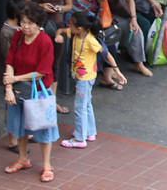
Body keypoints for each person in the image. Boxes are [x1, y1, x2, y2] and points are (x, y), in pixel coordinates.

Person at [2, 1, 59, 183]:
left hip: (39, 92)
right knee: (20, 127)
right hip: (19, 90)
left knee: (43, 129)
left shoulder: (45, 42)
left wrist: (14, 80)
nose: (25, 27)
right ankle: (22, 159)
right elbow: (9, 62)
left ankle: (47, 165)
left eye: (29, 23)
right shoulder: (18, 36)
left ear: (38, 24)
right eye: (23, 22)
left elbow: (42, 72)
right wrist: (9, 88)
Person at [54, 12, 126, 149]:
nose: (69, 25)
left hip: (84, 79)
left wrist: (117, 71)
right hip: (85, 77)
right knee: (86, 104)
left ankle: (80, 138)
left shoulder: (90, 41)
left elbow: (106, 54)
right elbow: (62, 30)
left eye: (71, 23)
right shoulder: (76, 33)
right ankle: (89, 132)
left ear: (80, 28)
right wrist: (58, 35)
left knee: (79, 107)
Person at [20, 0, 71, 114]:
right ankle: (37, 98)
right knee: (41, 65)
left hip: (59, 28)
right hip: (41, 29)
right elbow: (22, 5)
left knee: (55, 64)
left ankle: (50, 99)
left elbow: (70, 5)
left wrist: (60, 8)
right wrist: (39, 7)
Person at [0, 0, 29, 153]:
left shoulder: (18, 29)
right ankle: (12, 139)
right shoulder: (6, 33)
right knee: (10, 107)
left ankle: (21, 133)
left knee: (21, 104)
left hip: (20, 74)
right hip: (11, 76)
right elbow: (7, 57)